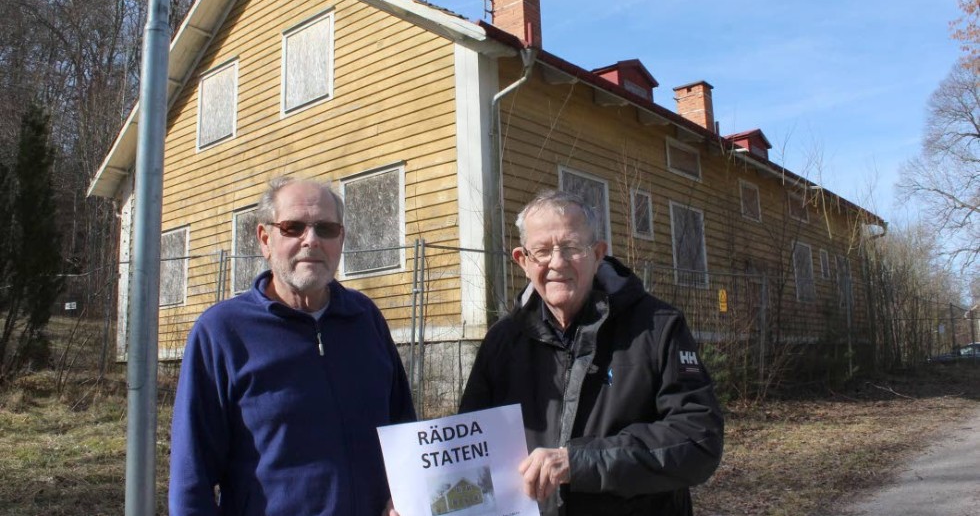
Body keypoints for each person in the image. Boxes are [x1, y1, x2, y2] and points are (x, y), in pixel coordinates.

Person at [459, 190, 724, 515]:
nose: (557, 263)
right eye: (542, 251)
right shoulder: (501, 343)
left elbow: (698, 441)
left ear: (598, 254)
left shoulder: (658, 328)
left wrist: (579, 463)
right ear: (523, 261)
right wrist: (419, 499)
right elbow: (468, 449)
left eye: (571, 248)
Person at [169, 177, 415, 516]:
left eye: (326, 229)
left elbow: (404, 432)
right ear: (265, 239)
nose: (311, 240)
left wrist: (405, 494)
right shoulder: (222, 333)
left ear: (341, 238)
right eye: (293, 227)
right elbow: (190, 480)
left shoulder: (365, 318)